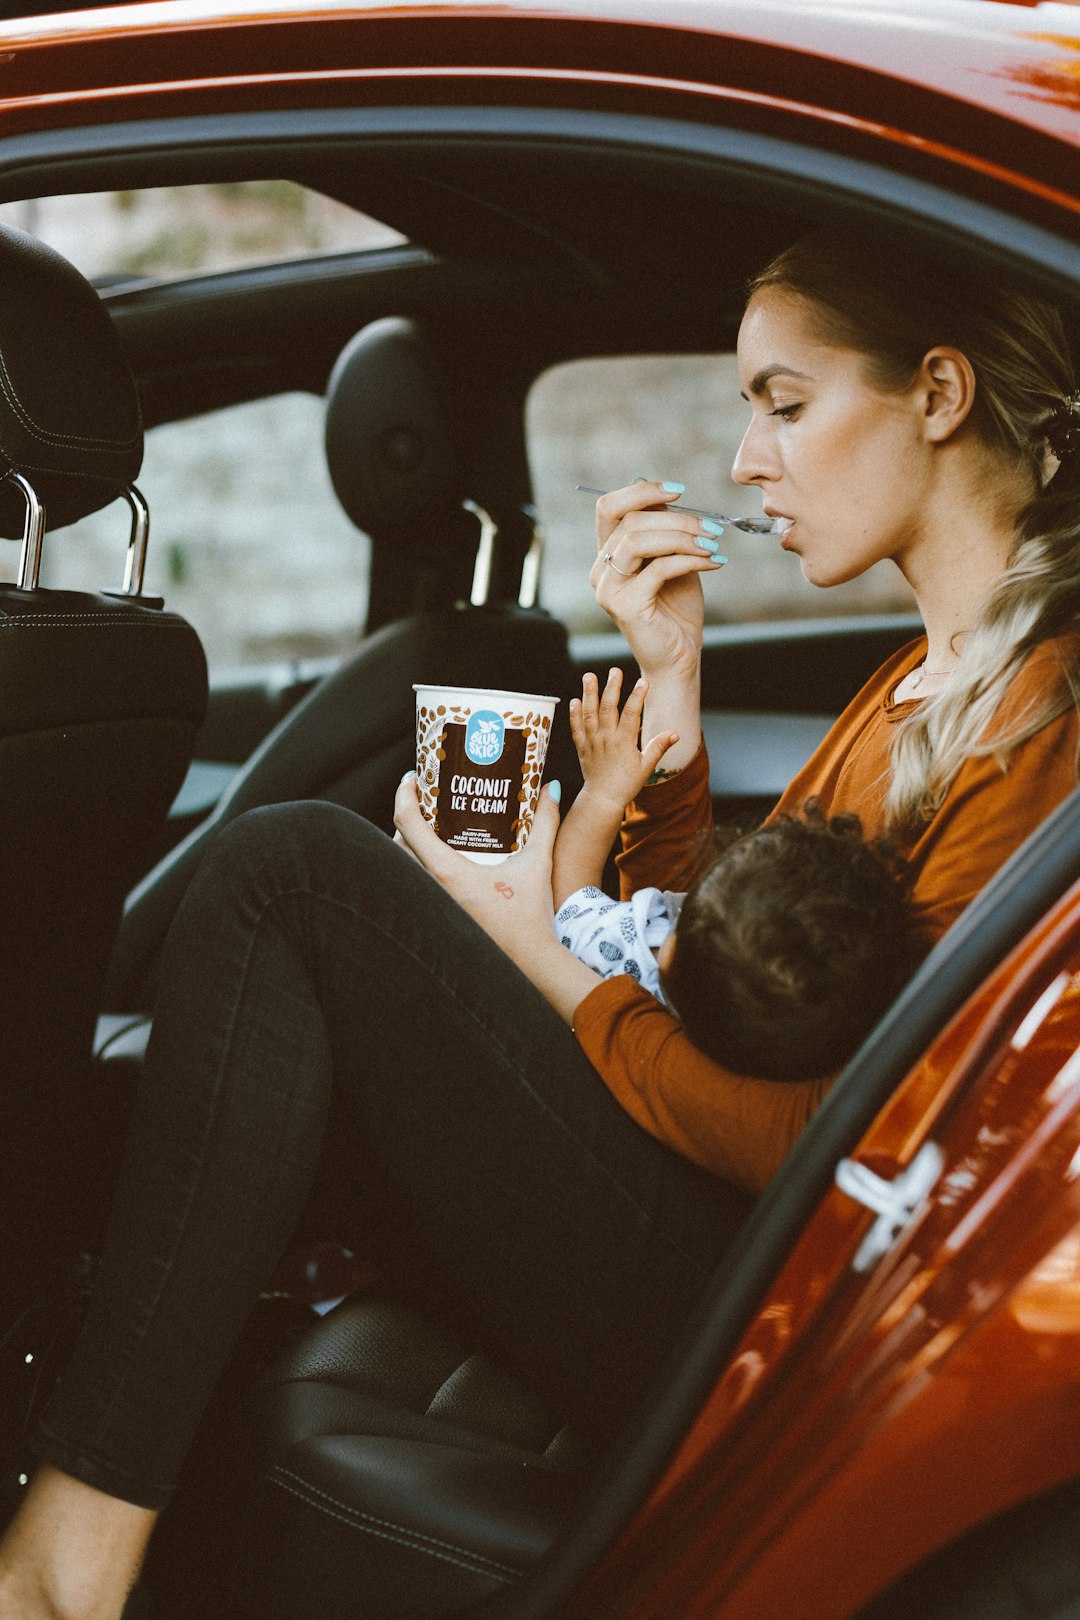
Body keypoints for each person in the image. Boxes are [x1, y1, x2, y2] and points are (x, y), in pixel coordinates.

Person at [3, 228, 1080, 1620]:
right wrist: (671, 690)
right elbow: (715, 954)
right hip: (706, 1224)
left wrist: (524, 937)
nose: (746, 460)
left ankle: (66, 1567)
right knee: (308, 932)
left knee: (296, 879)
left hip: (769, 1316)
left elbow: (834, 1145)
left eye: (785, 404)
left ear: (939, 396)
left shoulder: (1039, 726)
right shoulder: (910, 688)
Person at [552, 670, 928, 1078]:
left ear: (669, 949)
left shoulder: (632, 958)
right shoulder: (799, 1057)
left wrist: (603, 793)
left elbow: (569, 899)